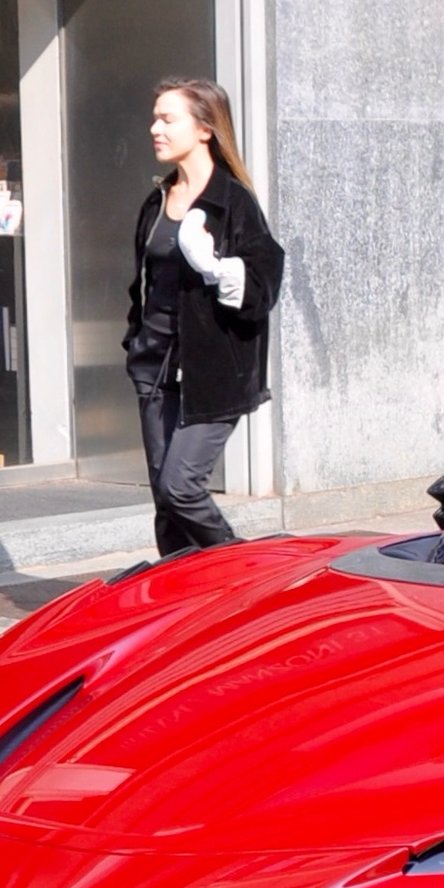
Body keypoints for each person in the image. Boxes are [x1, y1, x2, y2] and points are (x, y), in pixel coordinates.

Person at [123, 77, 284, 556]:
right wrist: (135, 346)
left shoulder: (232, 202)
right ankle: (181, 608)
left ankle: (247, 570)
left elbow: (264, 286)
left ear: (205, 129)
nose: (155, 128)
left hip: (212, 372)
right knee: (166, 504)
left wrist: (218, 269)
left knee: (181, 487)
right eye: (155, 117)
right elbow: (144, 286)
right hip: (154, 370)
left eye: (167, 119)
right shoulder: (157, 202)